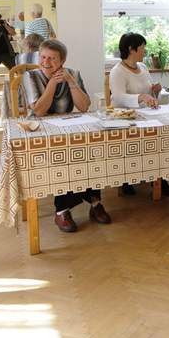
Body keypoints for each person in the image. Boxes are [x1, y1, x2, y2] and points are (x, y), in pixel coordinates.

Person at [22, 39, 111, 232]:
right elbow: (38, 111)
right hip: (40, 131)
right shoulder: (30, 76)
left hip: (67, 127)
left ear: (62, 60)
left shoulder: (73, 74)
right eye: (43, 56)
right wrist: (53, 83)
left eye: (52, 58)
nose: (46, 62)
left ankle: (95, 203)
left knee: (90, 150)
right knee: (65, 156)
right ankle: (62, 210)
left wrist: (71, 81)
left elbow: (84, 106)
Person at [109, 32, 169, 198]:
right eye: (142, 48)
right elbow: (117, 97)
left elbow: (150, 96)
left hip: (146, 116)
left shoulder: (144, 68)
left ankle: (160, 180)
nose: (145, 51)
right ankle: (126, 179)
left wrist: (155, 91)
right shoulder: (117, 71)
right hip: (125, 117)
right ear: (131, 49)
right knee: (137, 140)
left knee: (163, 137)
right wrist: (140, 96)